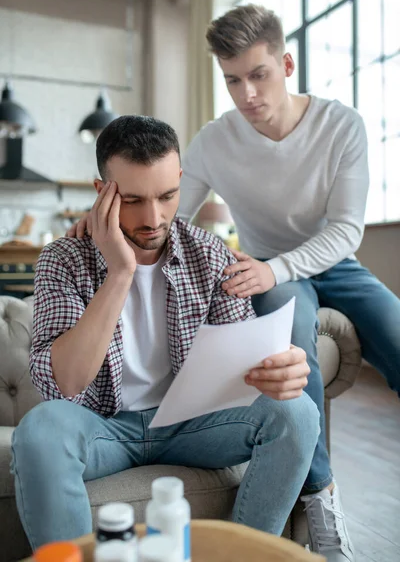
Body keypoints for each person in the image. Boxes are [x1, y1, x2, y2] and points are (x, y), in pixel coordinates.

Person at [11, 115, 319, 551]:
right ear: (102, 194)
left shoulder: (211, 255)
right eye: (132, 200)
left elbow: (238, 366)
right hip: (103, 428)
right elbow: (67, 381)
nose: (152, 218)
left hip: (190, 426)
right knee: (40, 431)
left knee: (299, 413)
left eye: (167, 196)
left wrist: (276, 368)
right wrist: (120, 272)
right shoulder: (63, 259)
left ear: (181, 180)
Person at [176, 4, 400, 561]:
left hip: (332, 261)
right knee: (292, 335)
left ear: (287, 63)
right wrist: (110, 217)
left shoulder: (339, 125)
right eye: (232, 80)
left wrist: (277, 267)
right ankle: (321, 497)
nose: (247, 94)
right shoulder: (212, 140)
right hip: (267, 271)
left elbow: (347, 229)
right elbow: (170, 216)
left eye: (259, 75)